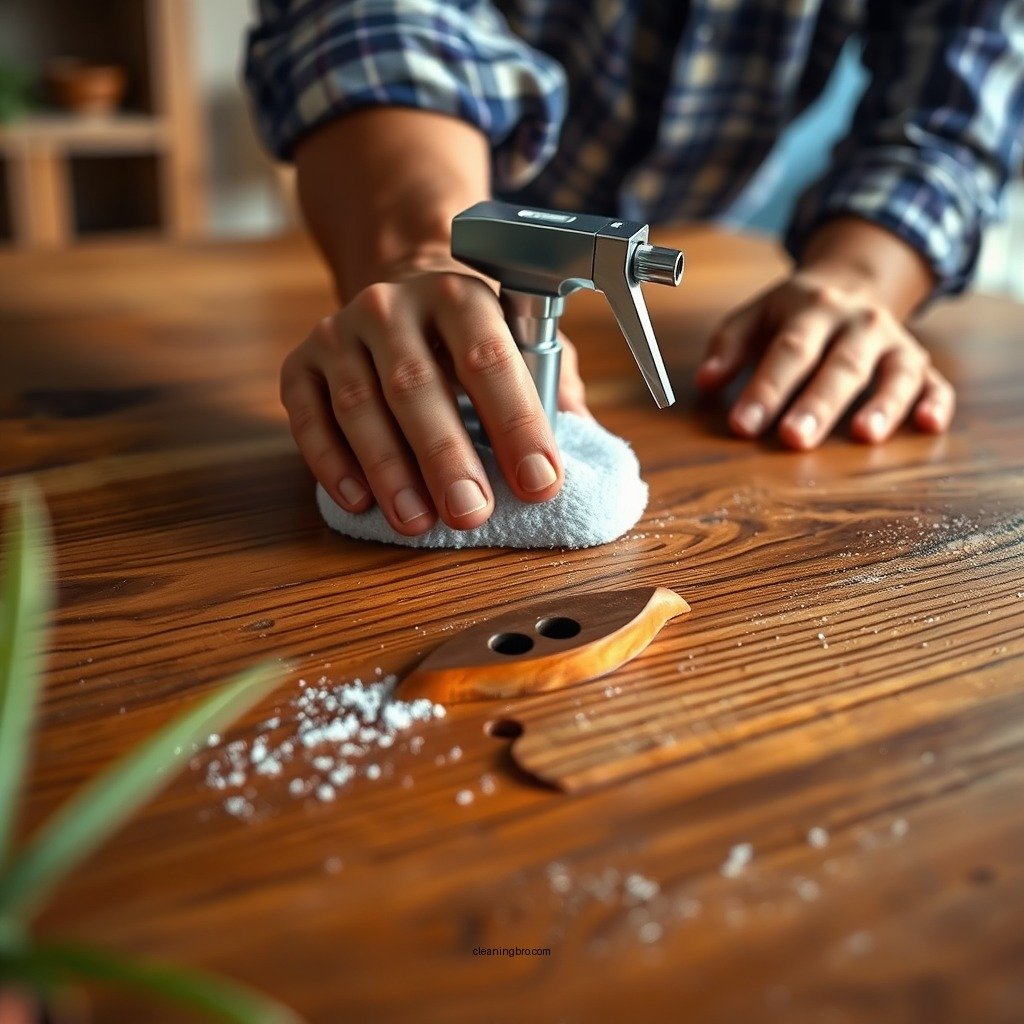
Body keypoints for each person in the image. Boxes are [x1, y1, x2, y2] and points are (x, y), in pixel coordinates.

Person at [244, 0, 1024, 538]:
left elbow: (955, 100)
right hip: (434, 176)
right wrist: (414, 251)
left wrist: (859, 276)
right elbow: (370, 20)